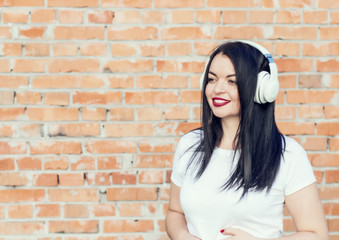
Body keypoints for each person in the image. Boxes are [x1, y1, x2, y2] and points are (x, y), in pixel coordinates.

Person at [165, 40, 329, 240]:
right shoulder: (190, 145)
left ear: (262, 89)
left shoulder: (287, 154)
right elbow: (175, 212)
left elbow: (316, 234)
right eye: (212, 79)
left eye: (232, 81)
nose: (217, 89)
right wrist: (183, 236)